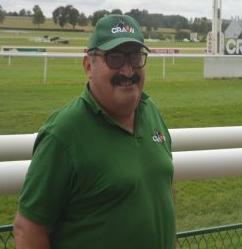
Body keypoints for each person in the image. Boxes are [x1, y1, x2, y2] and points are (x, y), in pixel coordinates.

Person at [13, 14, 176, 249]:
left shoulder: (150, 111)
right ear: (88, 66)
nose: (128, 70)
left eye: (135, 57)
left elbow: (164, 188)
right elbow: (27, 229)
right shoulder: (63, 134)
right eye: (115, 58)